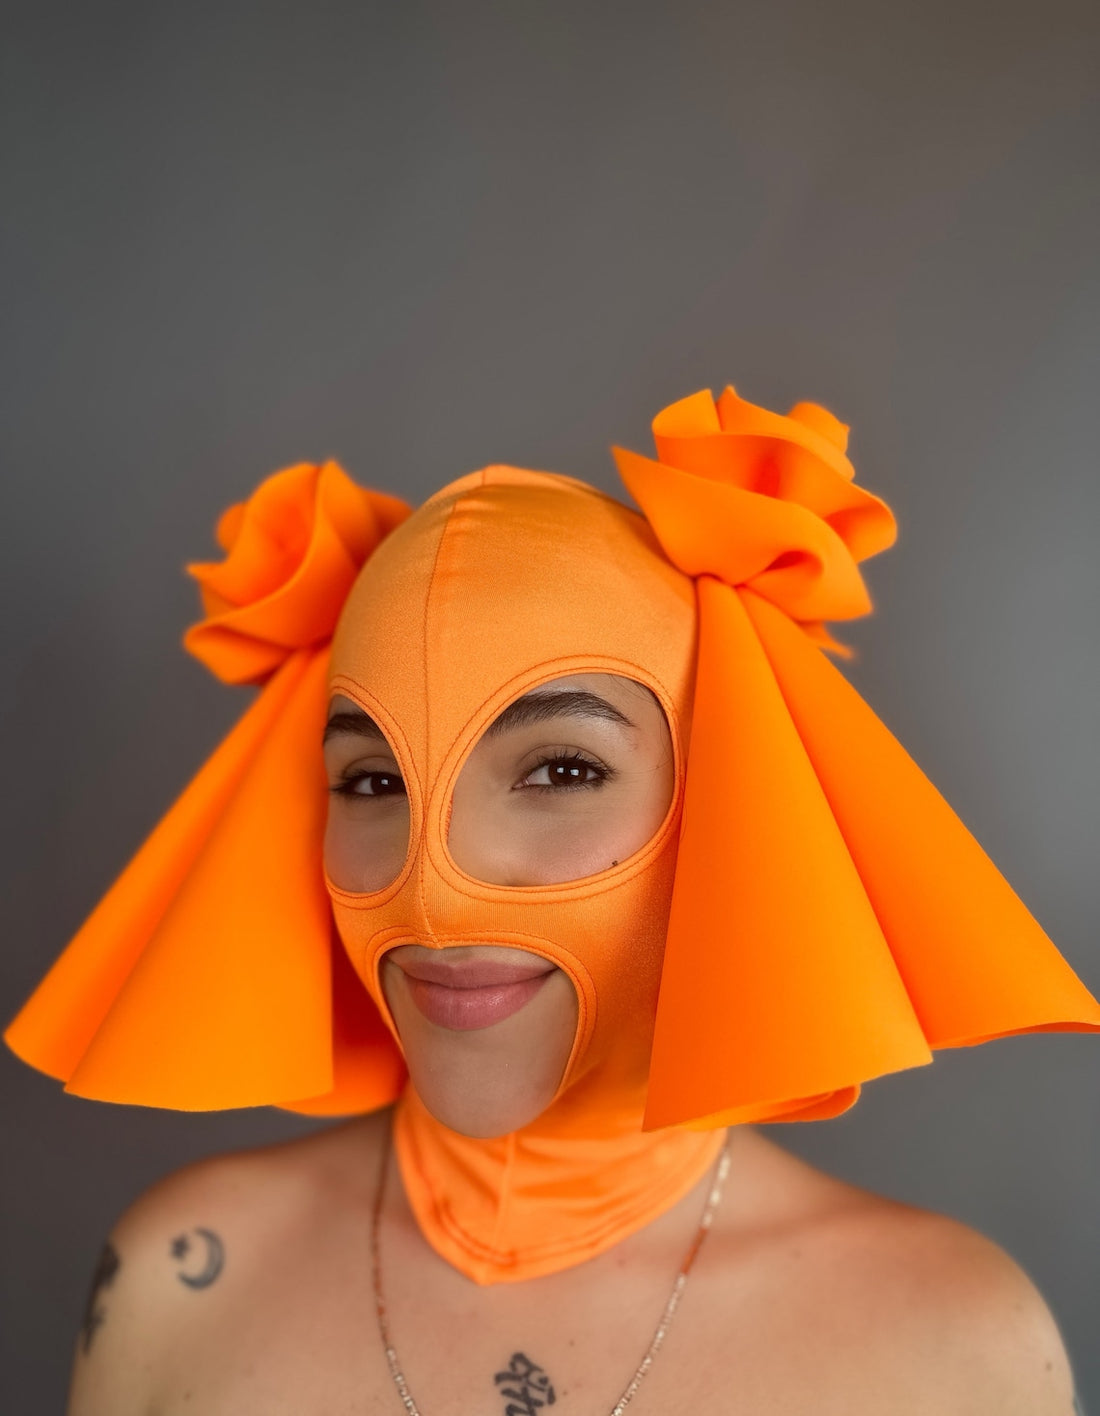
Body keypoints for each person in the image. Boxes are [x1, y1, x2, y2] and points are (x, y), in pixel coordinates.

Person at [6, 386, 1097, 1415]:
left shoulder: (956, 1344)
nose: (429, 890)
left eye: (561, 771)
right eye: (372, 782)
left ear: (732, 796)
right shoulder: (176, 1278)